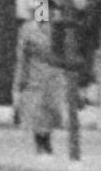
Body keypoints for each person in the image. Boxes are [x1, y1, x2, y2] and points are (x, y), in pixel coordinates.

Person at [13, 8, 67, 155]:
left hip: (53, 74)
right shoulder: (28, 29)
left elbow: (63, 50)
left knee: (51, 107)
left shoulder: (57, 28)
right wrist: (21, 77)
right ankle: (40, 140)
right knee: (37, 109)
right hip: (34, 73)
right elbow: (22, 53)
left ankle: (46, 137)